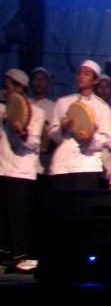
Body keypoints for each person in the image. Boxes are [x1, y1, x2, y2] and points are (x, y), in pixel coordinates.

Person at [0, 68, 44, 269]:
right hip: (2, 167)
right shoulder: (2, 109)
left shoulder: (37, 112)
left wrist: (22, 133)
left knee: (20, 217)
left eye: (9, 84)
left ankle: (21, 257)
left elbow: (35, 144)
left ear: (19, 87)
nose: (5, 88)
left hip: (22, 171)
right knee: (3, 215)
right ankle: (4, 256)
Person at [48, 60, 111, 190]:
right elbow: (53, 135)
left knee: (83, 202)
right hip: (62, 165)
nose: (81, 76)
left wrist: (90, 138)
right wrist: (63, 128)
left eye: (87, 74)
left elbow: (104, 140)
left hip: (87, 166)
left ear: (95, 80)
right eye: (80, 73)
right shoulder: (63, 102)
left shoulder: (103, 107)